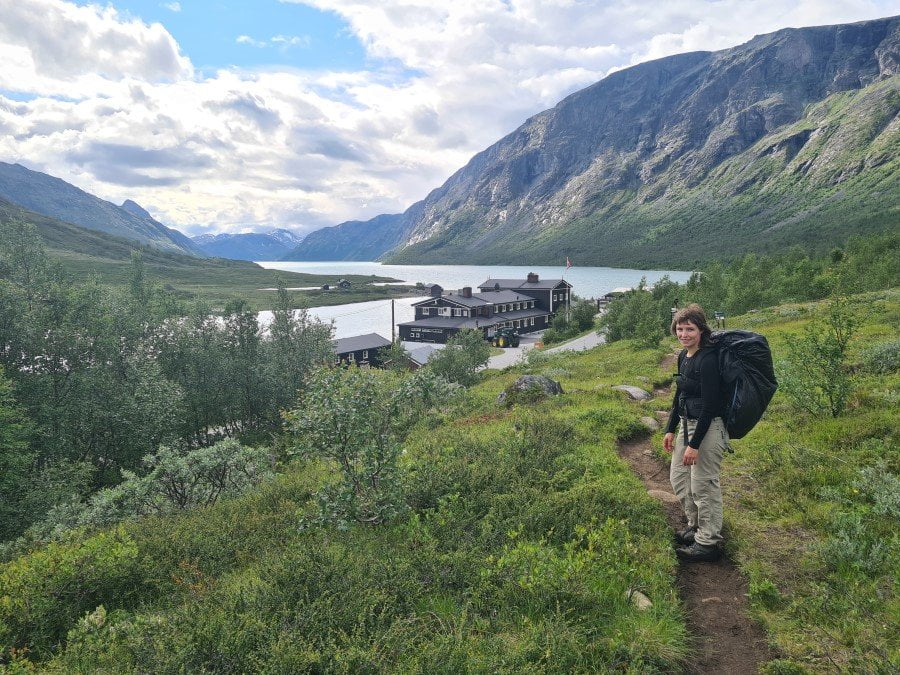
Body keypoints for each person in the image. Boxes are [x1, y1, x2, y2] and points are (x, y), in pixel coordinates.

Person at [663, 304, 729, 562]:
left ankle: (708, 543)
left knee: (703, 484)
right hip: (685, 424)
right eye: (679, 328)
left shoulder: (709, 359)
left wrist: (695, 444)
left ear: (701, 330)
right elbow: (680, 394)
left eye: (689, 328)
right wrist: (670, 429)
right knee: (679, 478)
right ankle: (695, 526)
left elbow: (711, 404)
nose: (683, 334)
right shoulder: (684, 356)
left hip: (708, 427)